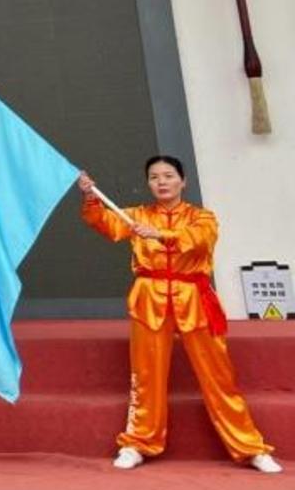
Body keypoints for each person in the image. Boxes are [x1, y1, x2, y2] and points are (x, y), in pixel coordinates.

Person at [78, 157, 279, 473]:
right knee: (145, 376)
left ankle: (250, 447)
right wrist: (91, 196)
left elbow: (199, 240)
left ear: (183, 181)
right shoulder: (137, 215)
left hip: (193, 298)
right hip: (149, 298)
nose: (161, 182)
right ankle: (137, 442)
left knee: (219, 376)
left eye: (169, 176)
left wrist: (159, 235)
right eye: (154, 177)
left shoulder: (202, 217)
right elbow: (106, 224)